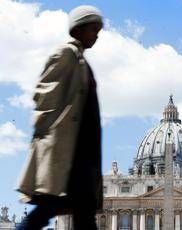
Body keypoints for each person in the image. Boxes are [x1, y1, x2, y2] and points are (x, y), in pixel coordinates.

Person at [16, 5, 103, 230]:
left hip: (81, 156)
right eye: (93, 28)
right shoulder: (66, 54)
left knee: (83, 218)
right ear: (79, 29)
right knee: (46, 211)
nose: (97, 34)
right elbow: (43, 97)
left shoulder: (82, 61)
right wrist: (49, 139)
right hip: (66, 153)